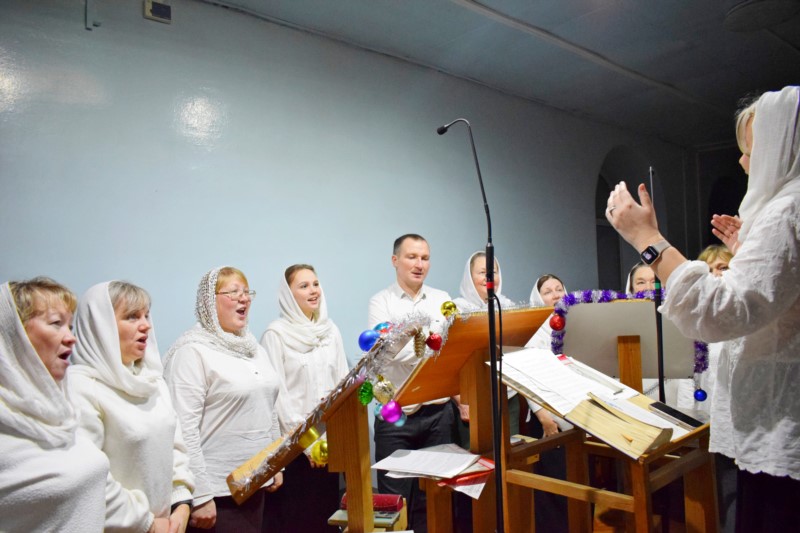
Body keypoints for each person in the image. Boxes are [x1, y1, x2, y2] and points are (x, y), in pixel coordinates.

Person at [605, 86, 800, 532]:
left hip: (782, 426)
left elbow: (720, 312)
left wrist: (648, 241)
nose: (743, 162)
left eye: (752, 149)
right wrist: (748, 253)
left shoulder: (787, 210)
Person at [164, 267, 284, 533]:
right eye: (233, 292)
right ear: (209, 302)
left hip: (255, 483)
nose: (244, 298)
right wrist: (199, 496)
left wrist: (275, 463)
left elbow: (270, 408)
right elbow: (183, 430)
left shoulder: (253, 348)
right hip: (218, 494)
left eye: (247, 292)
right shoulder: (192, 352)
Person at [70, 281, 194, 533]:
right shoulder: (81, 387)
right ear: (101, 326)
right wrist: (146, 523)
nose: (146, 325)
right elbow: (90, 479)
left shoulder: (153, 381)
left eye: (146, 315)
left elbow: (175, 448)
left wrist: (182, 503)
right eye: (132, 316)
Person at [0, 278, 108, 532]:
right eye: (56, 323)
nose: (71, 338)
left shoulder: (62, 413)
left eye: (70, 326)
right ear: (13, 333)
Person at [367, 234, 454, 533]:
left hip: (438, 413)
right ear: (395, 261)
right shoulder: (381, 302)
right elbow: (382, 353)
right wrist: (428, 345)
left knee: (436, 501)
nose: (419, 264)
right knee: (395, 503)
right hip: (396, 416)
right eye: (412, 257)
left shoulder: (442, 298)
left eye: (425, 258)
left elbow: (448, 349)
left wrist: (407, 341)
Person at [260, 264, 349, 533]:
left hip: (329, 445)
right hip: (295, 449)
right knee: (297, 520)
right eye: (304, 286)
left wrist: (336, 439)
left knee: (326, 518)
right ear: (289, 295)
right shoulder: (276, 334)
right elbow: (279, 398)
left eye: (315, 284)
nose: (313, 291)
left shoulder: (330, 331)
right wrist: (308, 443)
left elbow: (342, 384)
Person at [524, 274, 568, 437]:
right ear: (538, 299)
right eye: (548, 292)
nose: (556, 295)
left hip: (576, 407)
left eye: (559, 289)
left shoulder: (576, 323)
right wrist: (545, 418)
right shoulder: (532, 331)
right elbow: (528, 379)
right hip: (547, 414)